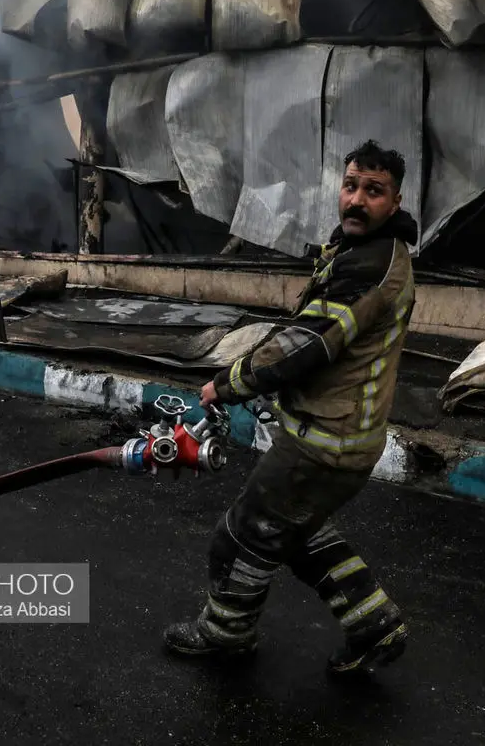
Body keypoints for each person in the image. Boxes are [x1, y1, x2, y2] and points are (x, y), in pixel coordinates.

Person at [163, 140, 418, 675]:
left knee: (243, 533)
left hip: (324, 443)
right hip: (345, 437)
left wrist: (228, 384)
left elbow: (306, 344)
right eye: (350, 186)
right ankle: (375, 625)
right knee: (299, 534)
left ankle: (224, 634)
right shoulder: (363, 252)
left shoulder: (369, 266)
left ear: (394, 204)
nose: (356, 200)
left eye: (374, 192)